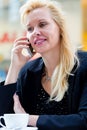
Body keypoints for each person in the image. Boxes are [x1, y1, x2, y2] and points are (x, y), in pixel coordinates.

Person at [0, 0, 87, 130]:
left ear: (60, 28)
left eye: (42, 24)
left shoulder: (84, 65)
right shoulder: (28, 72)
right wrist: (15, 67)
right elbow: (5, 118)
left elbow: (83, 121)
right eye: (30, 28)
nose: (35, 32)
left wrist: (28, 119)